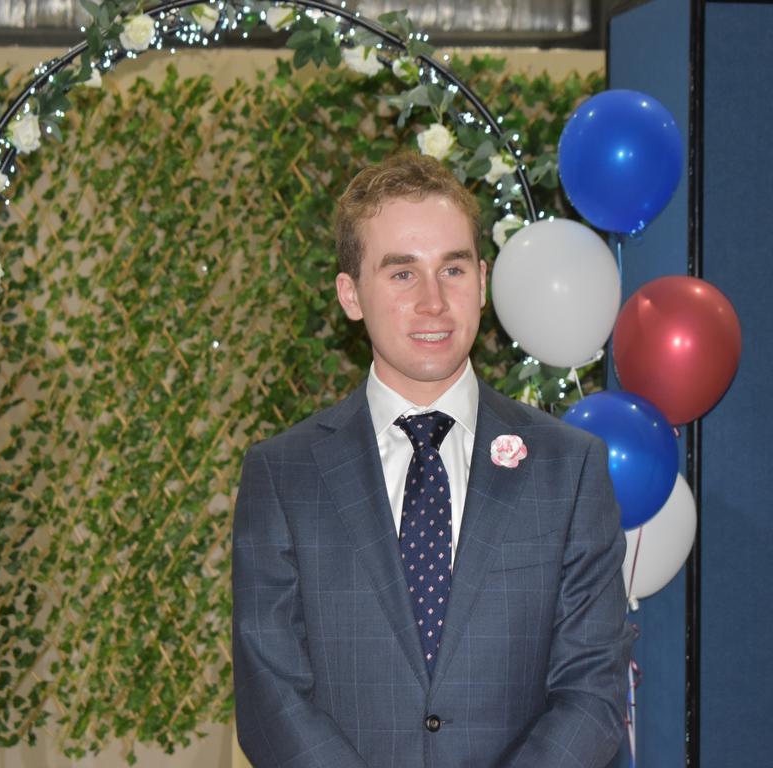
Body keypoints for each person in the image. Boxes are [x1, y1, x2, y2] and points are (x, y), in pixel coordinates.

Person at [232, 152, 632, 768]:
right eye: (400, 273)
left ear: (481, 276)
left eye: (452, 269)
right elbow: (271, 699)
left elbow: (592, 692)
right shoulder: (284, 477)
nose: (432, 301)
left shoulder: (568, 469)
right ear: (350, 295)